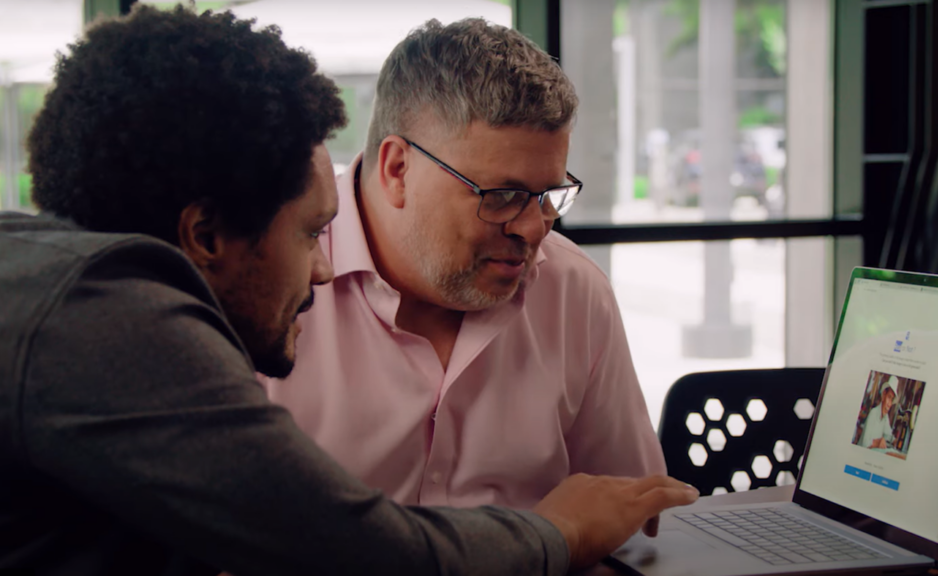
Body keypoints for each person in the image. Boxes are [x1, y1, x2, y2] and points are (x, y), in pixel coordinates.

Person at [0, 6, 698, 576]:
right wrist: (555, 535)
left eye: (547, 195)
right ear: (206, 235)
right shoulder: (113, 333)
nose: (325, 269)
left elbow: (634, 518)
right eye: (309, 235)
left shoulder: (48, 284)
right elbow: (355, 546)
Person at [266, 17, 666, 509]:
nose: (533, 228)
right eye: (503, 195)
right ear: (397, 169)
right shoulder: (268, 279)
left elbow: (630, 511)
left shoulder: (573, 290)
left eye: (549, 195)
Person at [859, 377, 897, 449]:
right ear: (883, 395)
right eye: (889, 397)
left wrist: (894, 440)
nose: (889, 404)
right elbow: (865, 443)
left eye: (892, 400)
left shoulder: (885, 417)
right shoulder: (873, 413)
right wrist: (878, 442)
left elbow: (888, 435)